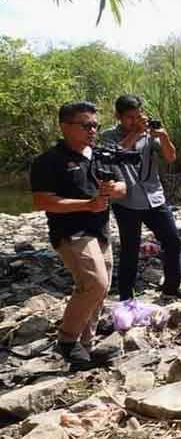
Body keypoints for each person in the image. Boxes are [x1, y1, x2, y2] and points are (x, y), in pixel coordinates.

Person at [30, 101, 126, 368]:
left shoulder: (100, 155)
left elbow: (123, 187)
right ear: (65, 126)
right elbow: (42, 201)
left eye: (95, 125)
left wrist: (112, 190)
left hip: (100, 230)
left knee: (99, 289)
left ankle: (85, 347)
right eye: (86, 125)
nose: (92, 130)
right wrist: (87, 204)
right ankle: (67, 340)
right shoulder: (49, 161)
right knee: (95, 283)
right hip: (71, 232)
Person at [100, 95, 181, 301]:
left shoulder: (148, 134)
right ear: (118, 116)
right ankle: (126, 297)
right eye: (130, 117)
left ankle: (171, 288)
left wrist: (163, 136)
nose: (135, 121)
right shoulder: (108, 135)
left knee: (172, 241)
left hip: (154, 197)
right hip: (127, 201)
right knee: (129, 249)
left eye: (138, 116)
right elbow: (114, 155)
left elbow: (171, 157)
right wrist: (136, 133)